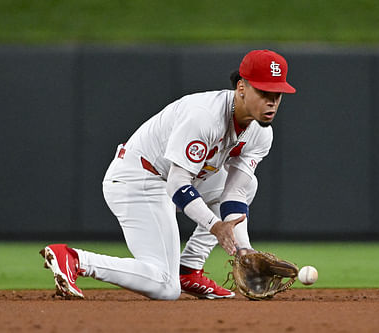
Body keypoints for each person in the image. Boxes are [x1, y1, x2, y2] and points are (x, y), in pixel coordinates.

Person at [40, 49, 296, 300]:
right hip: (139, 179)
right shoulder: (204, 117)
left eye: (278, 94)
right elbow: (176, 184)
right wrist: (215, 226)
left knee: (247, 184)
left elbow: (236, 192)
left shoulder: (261, 133)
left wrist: (244, 250)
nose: (272, 101)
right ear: (241, 87)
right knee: (165, 286)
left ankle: (189, 270)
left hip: (181, 178)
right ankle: (75, 259)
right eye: (264, 92)